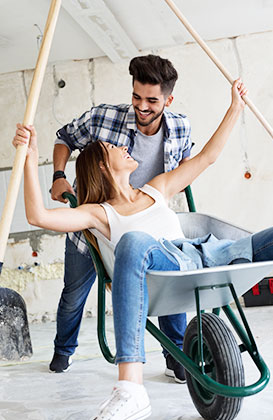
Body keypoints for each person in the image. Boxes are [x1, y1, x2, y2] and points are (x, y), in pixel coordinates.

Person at [14, 79, 273, 420]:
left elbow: (206, 158)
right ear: (101, 164)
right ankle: (130, 387)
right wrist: (31, 160)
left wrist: (235, 109)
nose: (125, 145)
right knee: (132, 241)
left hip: (207, 255)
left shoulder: (156, 188)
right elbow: (38, 215)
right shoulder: (98, 213)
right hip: (161, 268)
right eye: (115, 146)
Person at [47, 54, 191, 381]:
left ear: (168, 99)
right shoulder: (103, 118)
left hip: (148, 225)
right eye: (136, 97)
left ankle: (177, 356)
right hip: (96, 224)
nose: (142, 107)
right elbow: (64, 137)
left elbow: (186, 159)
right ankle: (63, 350)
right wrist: (58, 175)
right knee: (74, 294)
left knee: (169, 289)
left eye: (152, 101)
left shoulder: (181, 126)